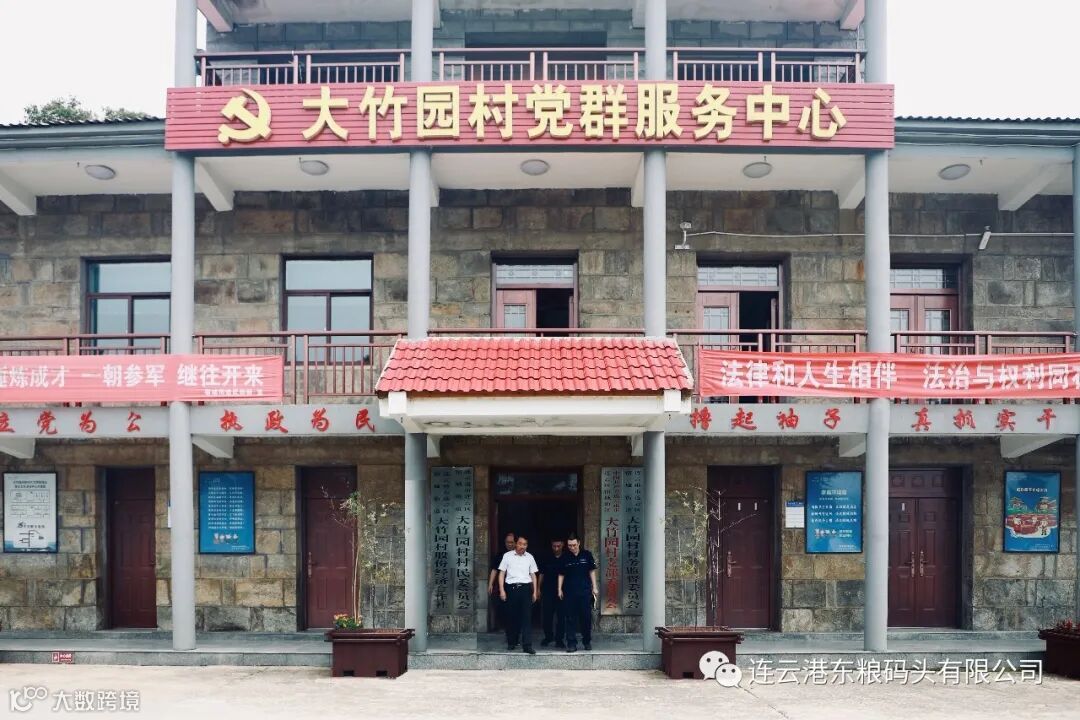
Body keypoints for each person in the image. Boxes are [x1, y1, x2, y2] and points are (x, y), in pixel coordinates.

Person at [498, 535, 539, 654]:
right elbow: (501, 573)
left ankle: (527, 645)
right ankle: (511, 642)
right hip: (511, 588)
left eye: (525, 544)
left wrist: (535, 591)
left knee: (527, 617)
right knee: (512, 616)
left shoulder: (530, 557)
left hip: (525, 589)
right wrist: (502, 590)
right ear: (516, 543)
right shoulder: (507, 556)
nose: (522, 546)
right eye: (520, 543)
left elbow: (533, 575)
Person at [558, 533, 597, 653]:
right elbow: (561, 574)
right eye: (570, 545)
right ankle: (571, 643)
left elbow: (591, 571)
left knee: (586, 618)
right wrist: (559, 589)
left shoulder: (587, 555)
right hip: (569, 592)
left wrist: (595, 587)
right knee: (570, 618)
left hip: (584, 592)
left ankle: (587, 641)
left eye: (574, 545)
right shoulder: (565, 557)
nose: (572, 547)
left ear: (579, 543)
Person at [539, 538, 566, 648]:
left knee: (561, 617)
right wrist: (538, 588)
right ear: (551, 545)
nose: (556, 548)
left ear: (562, 545)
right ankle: (548, 637)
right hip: (547, 591)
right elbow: (541, 574)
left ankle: (559, 639)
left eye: (558, 546)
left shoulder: (566, 557)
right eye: (554, 546)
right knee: (547, 616)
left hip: (563, 592)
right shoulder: (547, 558)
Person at [488, 532, 516, 630]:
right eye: (507, 542)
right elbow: (494, 570)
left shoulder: (520, 555)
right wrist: (490, 584)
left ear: (516, 543)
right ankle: (503, 627)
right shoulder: (500, 555)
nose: (509, 544)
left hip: (515, 586)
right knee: (502, 607)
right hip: (502, 586)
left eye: (511, 542)